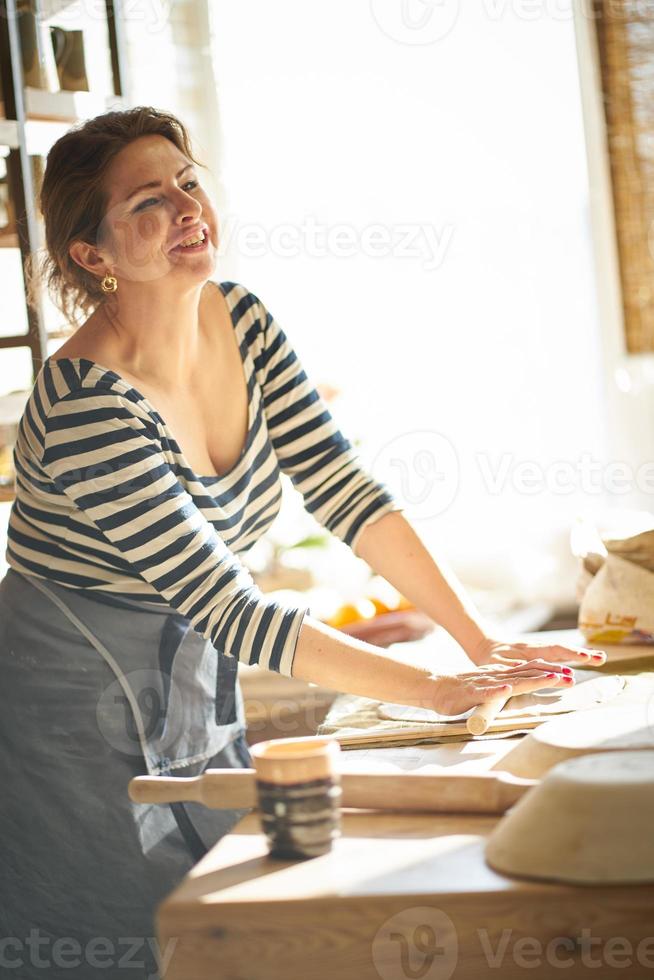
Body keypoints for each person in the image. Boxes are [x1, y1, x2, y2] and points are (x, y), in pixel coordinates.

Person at [0, 106, 605, 979]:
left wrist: (481, 643)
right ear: (92, 256)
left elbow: (347, 491)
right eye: (147, 204)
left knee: (229, 920)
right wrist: (437, 691)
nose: (185, 209)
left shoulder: (242, 321)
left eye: (187, 184)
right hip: (67, 724)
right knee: (126, 945)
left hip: (179, 684)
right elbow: (231, 609)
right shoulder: (87, 403)